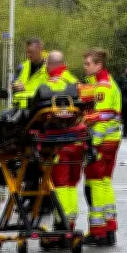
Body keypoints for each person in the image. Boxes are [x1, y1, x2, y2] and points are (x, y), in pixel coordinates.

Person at [81, 49, 122, 245]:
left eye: (88, 64)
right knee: (104, 183)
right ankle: (109, 227)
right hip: (111, 141)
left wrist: (93, 147)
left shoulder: (103, 87)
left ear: (98, 65)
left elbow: (103, 119)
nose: (85, 67)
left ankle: (99, 232)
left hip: (102, 143)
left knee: (96, 184)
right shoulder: (105, 83)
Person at [41, 51, 82, 230]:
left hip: (60, 142)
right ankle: (70, 221)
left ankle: (62, 224)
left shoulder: (50, 85)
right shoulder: (74, 81)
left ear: (50, 65)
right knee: (72, 184)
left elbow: (44, 114)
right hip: (78, 141)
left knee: (61, 184)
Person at [12, 38, 48, 108]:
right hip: (20, 108)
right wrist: (16, 86)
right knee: (4, 116)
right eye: (27, 52)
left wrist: (25, 88)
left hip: (40, 108)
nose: (28, 55)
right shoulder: (22, 67)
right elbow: (14, 82)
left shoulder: (49, 67)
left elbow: (51, 89)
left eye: (31, 52)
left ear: (40, 50)